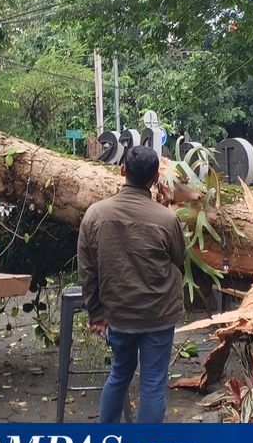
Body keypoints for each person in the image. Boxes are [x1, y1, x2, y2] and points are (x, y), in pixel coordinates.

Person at [77, 145, 187, 423]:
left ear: (123, 170)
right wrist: (165, 208)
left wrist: (96, 313)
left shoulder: (95, 214)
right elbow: (179, 258)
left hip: (118, 315)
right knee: (153, 384)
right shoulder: (167, 219)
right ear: (155, 179)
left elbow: (87, 269)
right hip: (159, 315)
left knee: (119, 374)